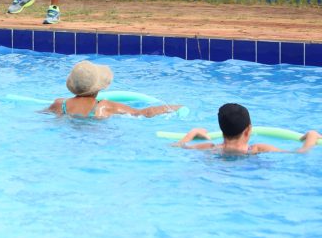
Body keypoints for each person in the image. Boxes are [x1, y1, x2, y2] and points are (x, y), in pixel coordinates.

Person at [47, 60, 182, 119]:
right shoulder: (105, 106)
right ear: (98, 88)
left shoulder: (60, 104)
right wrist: (174, 107)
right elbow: (142, 113)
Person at [175, 103, 320, 154]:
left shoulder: (209, 147)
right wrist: (312, 136)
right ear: (248, 130)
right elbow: (299, 153)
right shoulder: (258, 149)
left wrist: (192, 132)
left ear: (222, 130)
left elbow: (178, 146)